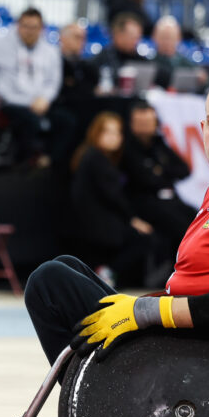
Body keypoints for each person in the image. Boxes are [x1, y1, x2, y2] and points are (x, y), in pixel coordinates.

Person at [25, 76, 209, 406]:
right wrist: (140, 308)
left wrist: (145, 311)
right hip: (190, 350)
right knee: (67, 267)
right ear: (203, 128)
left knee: (50, 283)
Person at [0, 7, 74, 167]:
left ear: (42, 28)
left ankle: (51, 163)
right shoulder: (1, 41)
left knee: (67, 121)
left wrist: (45, 99)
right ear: (18, 25)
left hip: (40, 102)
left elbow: (53, 82)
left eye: (34, 27)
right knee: (29, 122)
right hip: (10, 101)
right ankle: (22, 166)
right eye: (25, 26)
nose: (29, 31)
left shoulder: (50, 51)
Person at [68, 112, 156, 288]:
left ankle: (105, 272)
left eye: (117, 133)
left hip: (97, 222)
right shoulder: (95, 158)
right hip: (97, 225)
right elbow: (112, 196)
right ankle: (106, 272)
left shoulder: (96, 157)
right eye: (108, 132)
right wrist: (132, 219)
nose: (114, 138)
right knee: (144, 239)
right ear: (96, 133)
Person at [120, 101, 196, 270]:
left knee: (198, 219)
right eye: (140, 122)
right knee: (179, 225)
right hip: (145, 202)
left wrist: (160, 171)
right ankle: (181, 270)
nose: (145, 127)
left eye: (149, 122)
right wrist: (161, 173)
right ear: (132, 123)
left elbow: (184, 169)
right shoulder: (128, 148)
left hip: (170, 198)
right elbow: (145, 179)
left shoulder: (159, 144)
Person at [90, 12, 146, 94]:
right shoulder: (101, 59)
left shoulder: (140, 60)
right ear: (118, 35)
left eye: (137, 37)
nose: (136, 41)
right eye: (132, 37)